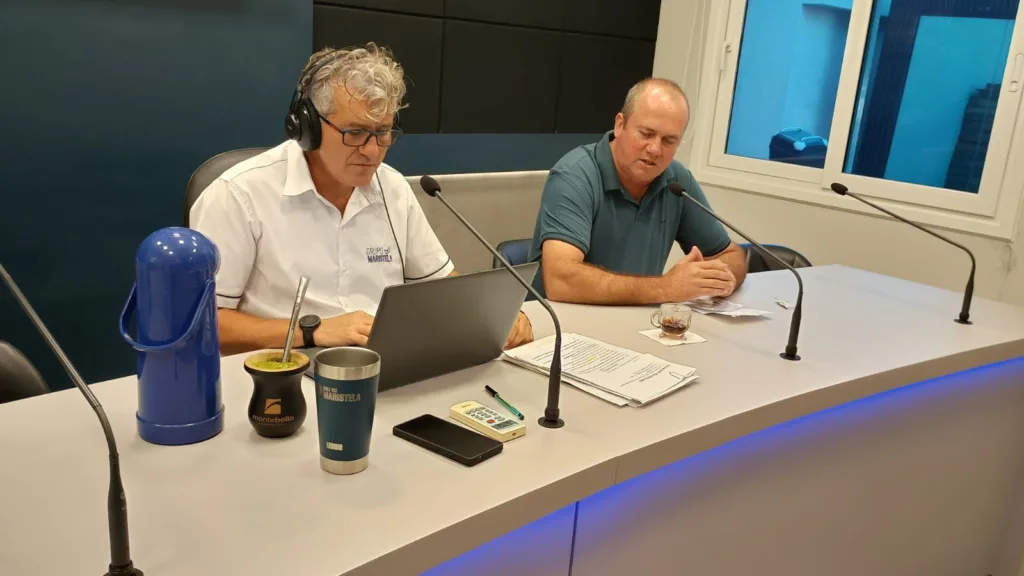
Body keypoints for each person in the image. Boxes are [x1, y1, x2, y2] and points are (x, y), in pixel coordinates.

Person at [190, 44, 533, 355]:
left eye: (383, 132)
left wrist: (494, 315)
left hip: (381, 365)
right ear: (307, 127)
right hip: (283, 372)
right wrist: (313, 332)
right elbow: (203, 325)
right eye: (355, 132)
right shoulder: (238, 195)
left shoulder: (393, 188)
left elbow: (441, 287)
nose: (372, 151)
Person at [528, 78, 747, 305]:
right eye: (646, 134)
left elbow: (730, 255)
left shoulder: (676, 182)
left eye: (668, 140)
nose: (655, 149)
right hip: (563, 320)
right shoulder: (576, 175)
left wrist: (721, 280)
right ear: (619, 125)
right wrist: (666, 287)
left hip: (638, 319)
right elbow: (561, 281)